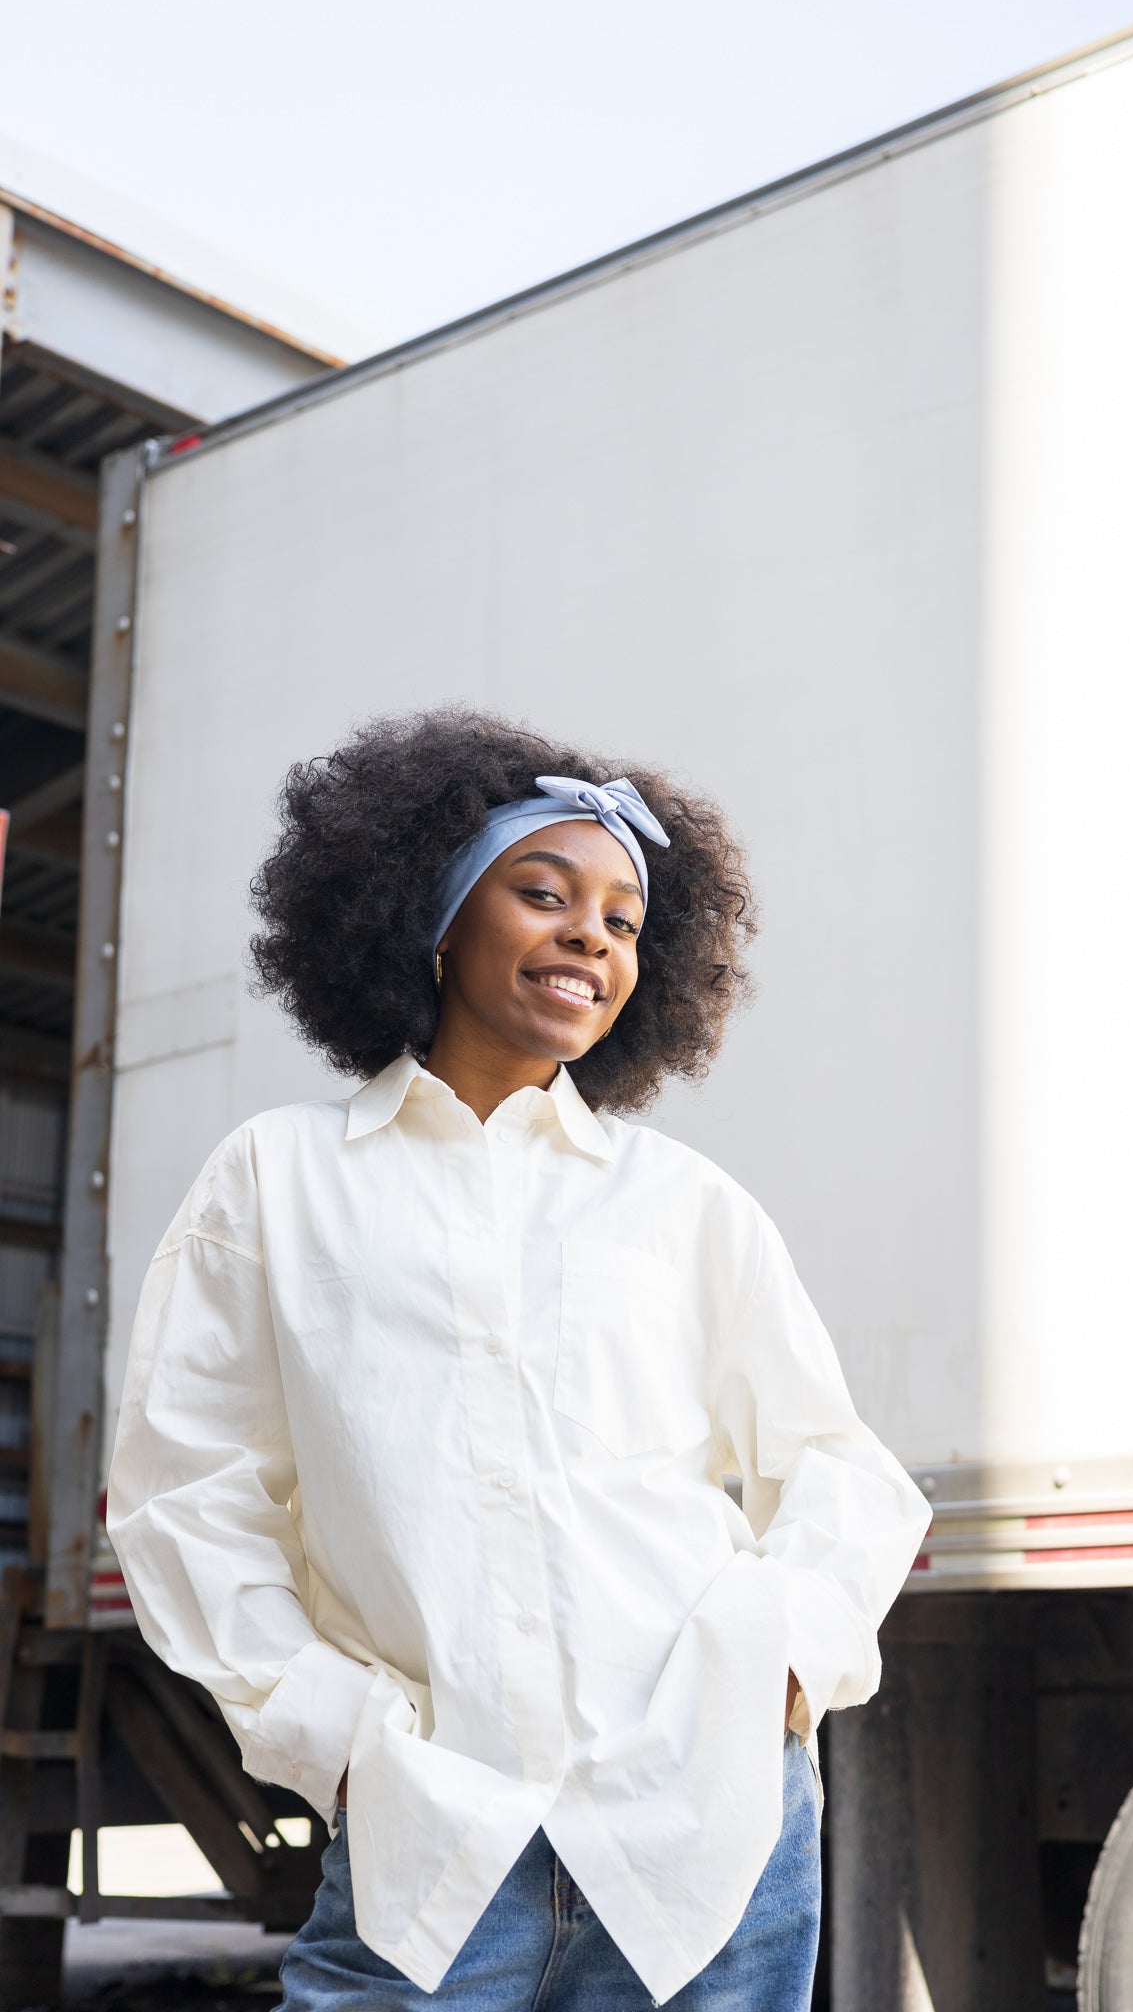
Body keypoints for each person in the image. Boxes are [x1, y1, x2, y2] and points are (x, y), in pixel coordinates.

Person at [107, 708, 930, 2011]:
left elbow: (836, 1466)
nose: (589, 937)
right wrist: (329, 1732)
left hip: (701, 1832)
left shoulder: (682, 1203)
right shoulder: (277, 1180)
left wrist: (781, 1655)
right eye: (543, 894)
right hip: (430, 1833)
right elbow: (186, 1487)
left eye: (620, 919)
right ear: (430, 922)